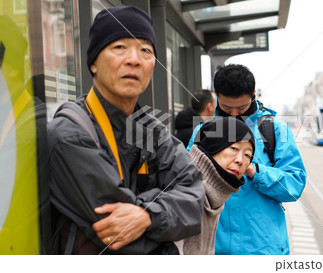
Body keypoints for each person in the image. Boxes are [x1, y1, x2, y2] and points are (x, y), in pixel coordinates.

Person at [47, 6, 204, 254]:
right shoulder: (71, 132)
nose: (134, 59)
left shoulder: (151, 130)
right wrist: (163, 214)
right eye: (119, 47)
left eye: (146, 50)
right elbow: (116, 231)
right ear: (94, 63)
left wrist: (146, 216)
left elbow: (195, 200)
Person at [187, 64, 307, 255]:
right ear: (216, 95)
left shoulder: (276, 130)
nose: (234, 114)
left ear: (253, 94)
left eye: (241, 107)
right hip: (214, 248)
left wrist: (255, 171)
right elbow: (186, 184)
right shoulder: (202, 132)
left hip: (262, 249)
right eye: (226, 107)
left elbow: (295, 186)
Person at [176, 117, 255, 254]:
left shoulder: (215, 195)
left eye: (247, 155)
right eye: (234, 148)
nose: (240, 160)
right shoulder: (184, 192)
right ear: (213, 145)